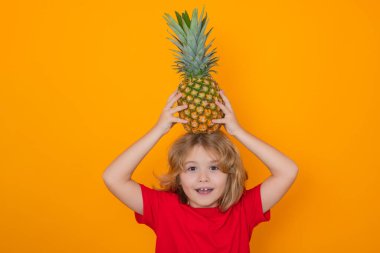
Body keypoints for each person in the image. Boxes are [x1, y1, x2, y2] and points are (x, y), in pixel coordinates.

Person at [102, 90, 299, 253]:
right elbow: (113, 178)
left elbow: (288, 171)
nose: (203, 178)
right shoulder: (163, 209)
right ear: (178, 177)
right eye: (192, 168)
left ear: (230, 174)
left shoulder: (243, 210)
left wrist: (238, 132)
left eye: (214, 168)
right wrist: (158, 130)